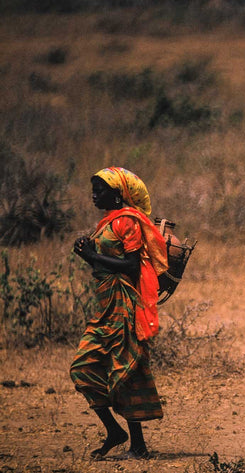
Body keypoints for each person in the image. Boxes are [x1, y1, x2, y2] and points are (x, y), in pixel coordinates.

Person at [70, 167, 168, 459]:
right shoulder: (107, 222)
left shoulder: (128, 222)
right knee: (82, 368)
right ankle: (116, 432)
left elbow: (132, 266)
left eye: (100, 189)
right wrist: (89, 252)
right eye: (94, 189)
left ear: (118, 194)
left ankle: (138, 445)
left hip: (126, 306)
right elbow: (107, 264)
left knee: (126, 371)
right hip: (107, 306)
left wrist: (91, 256)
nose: (94, 195)